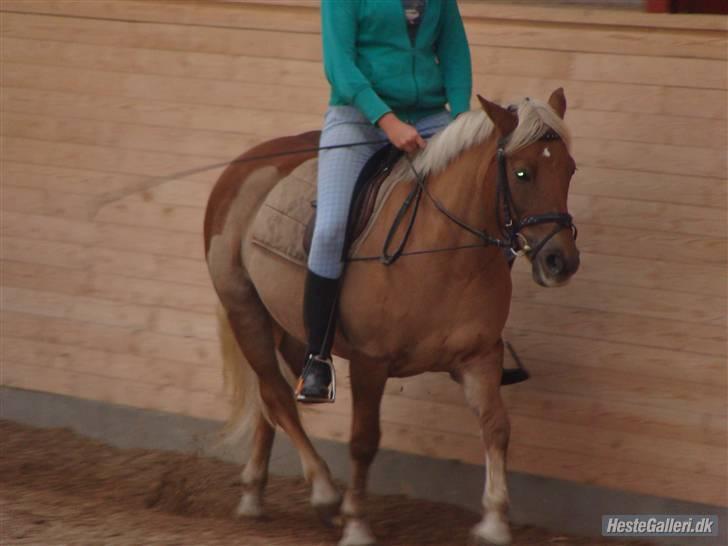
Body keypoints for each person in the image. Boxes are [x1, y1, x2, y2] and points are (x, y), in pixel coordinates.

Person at [295, 0, 472, 403]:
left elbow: (456, 54)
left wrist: (461, 120)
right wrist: (388, 122)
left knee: (482, 192)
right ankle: (317, 358)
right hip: (358, 118)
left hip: (429, 116)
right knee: (330, 229)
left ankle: (479, 332)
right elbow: (340, 66)